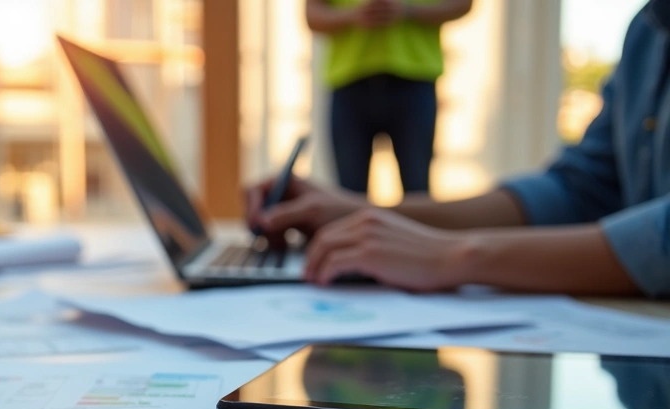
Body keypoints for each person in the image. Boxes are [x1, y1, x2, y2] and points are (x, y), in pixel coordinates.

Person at [246, 0, 670, 299]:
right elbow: (581, 189)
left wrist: (456, 255)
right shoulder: (648, 31)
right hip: (351, 81)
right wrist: (355, 210)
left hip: (413, 80)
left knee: (415, 181)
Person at [307, 0, 473, 194]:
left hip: (414, 81)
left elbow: (462, 4)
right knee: (349, 199)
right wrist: (353, 16)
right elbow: (312, 15)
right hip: (350, 82)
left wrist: (408, 11)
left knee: (417, 194)